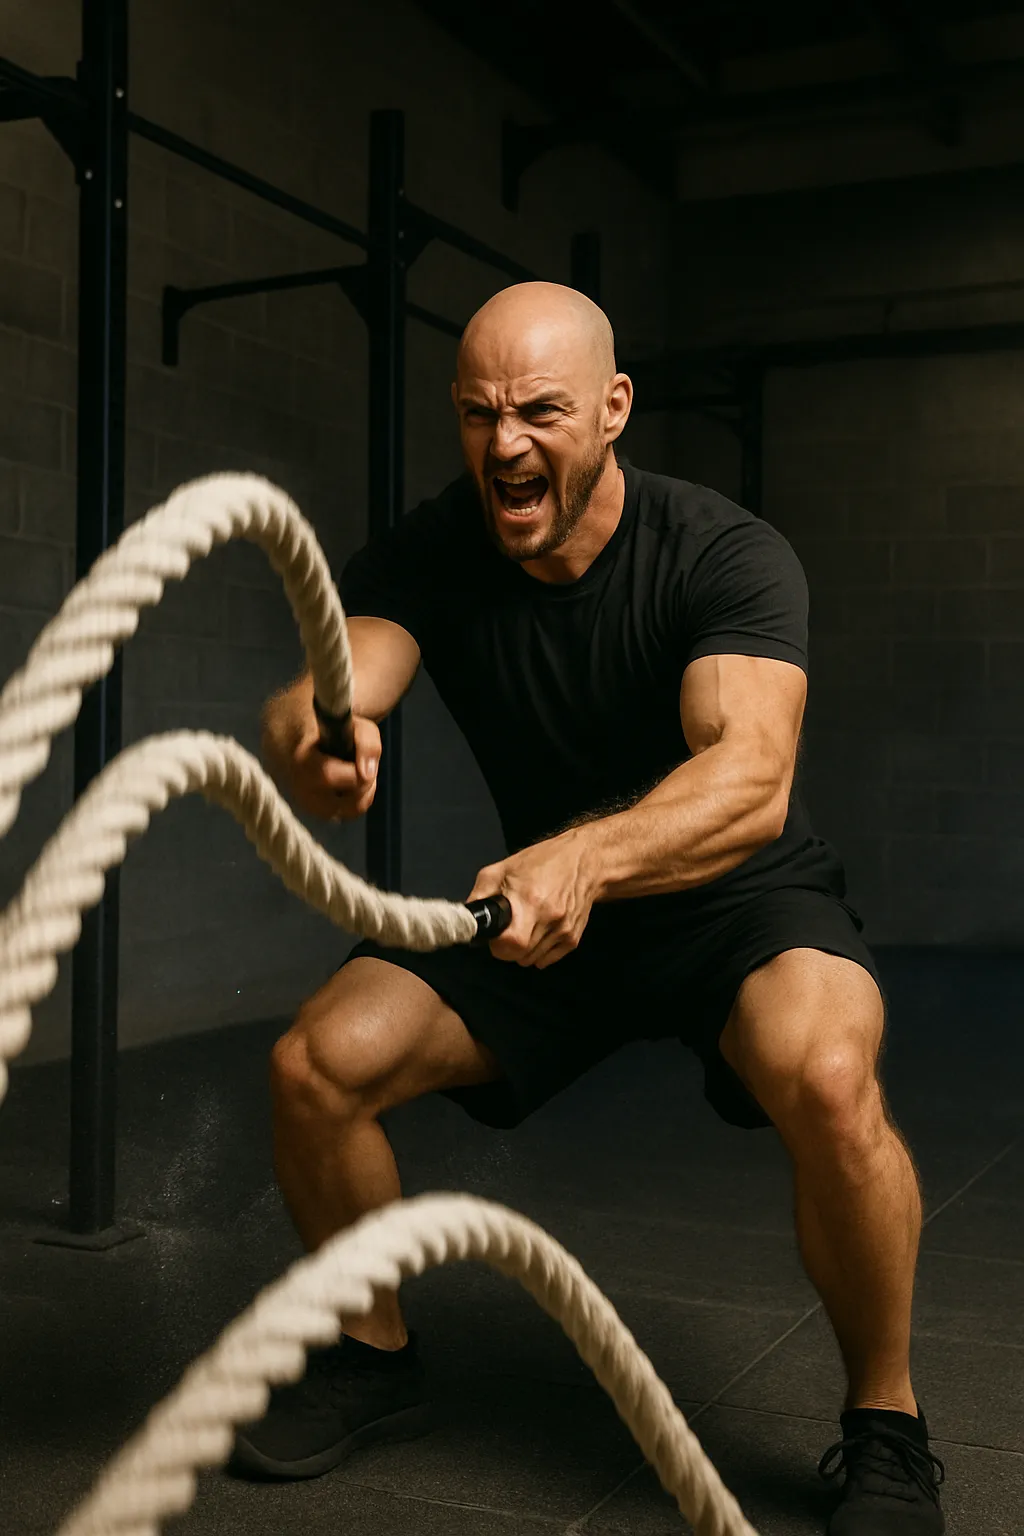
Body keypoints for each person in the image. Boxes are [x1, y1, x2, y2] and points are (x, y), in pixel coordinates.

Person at [239, 282, 945, 1534]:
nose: (504, 444)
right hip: (544, 910)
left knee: (831, 1077)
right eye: (477, 414)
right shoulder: (433, 548)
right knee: (316, 1065)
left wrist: (592, 856)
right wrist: (313, 739)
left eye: (540, 412)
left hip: (729, 896)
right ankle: (374, 1350)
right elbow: (334, 684)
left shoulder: (720, 551)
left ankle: (884, 1427)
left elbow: (749, 780)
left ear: (614, 409)